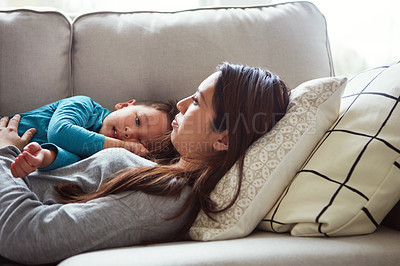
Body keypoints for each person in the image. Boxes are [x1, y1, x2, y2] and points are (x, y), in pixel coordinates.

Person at [0, 62, 290, 265]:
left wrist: (5, 151)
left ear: (223, 140)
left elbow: (26, 233)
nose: (182, 104)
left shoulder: (163, 199)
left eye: (198, 102)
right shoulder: (164, 166)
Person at [10, 96, 178, 177]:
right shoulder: (85, 105)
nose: (129, 133)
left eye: (140, 141)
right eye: (137, 121)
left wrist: (42, 158)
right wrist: (126, 146)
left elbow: (65, 162)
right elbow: (59, 133)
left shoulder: (97, 159)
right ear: (124, 105)